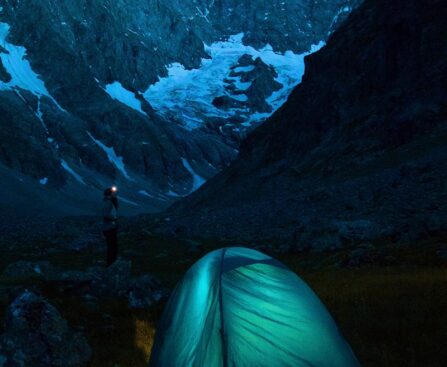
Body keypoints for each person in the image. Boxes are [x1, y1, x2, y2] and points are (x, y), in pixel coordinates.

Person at [102, 186, 119, 267]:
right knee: (112, 246)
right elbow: (106, 214)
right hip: (109, 227)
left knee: (112, 246)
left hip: (110, 227)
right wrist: (114, 218)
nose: (114, 194)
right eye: (113, 193)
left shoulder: (109, 201)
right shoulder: (108, 202)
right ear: (109, 194)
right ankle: (111, 264)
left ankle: (111, 262)